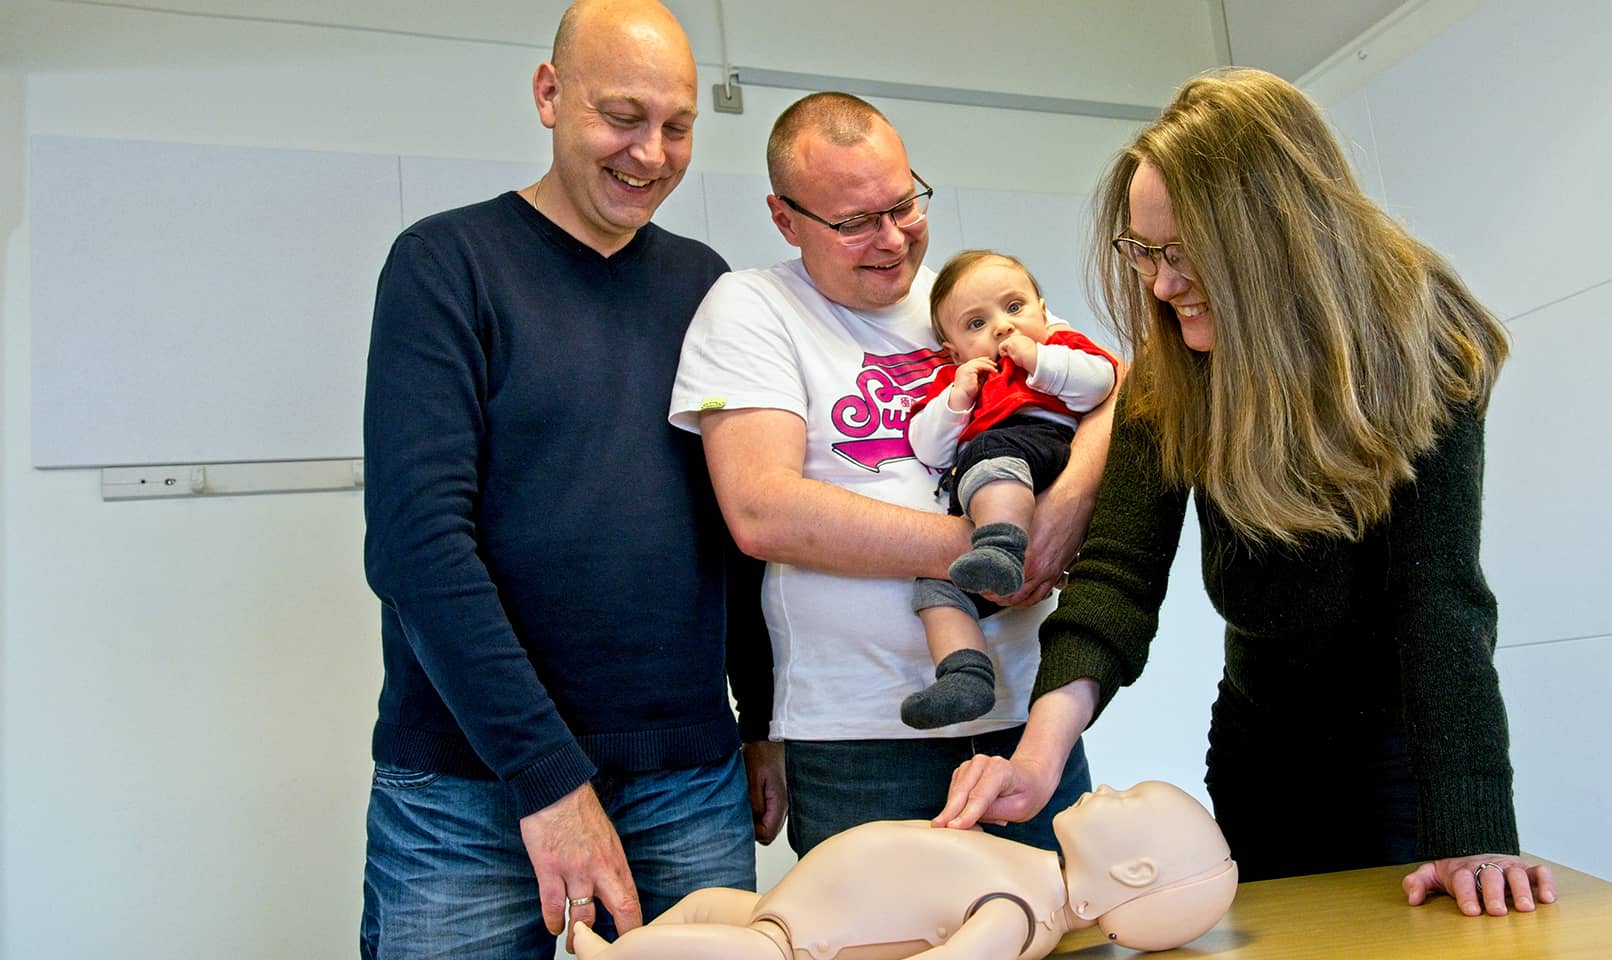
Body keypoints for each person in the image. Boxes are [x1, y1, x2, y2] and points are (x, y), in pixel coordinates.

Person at [936, 66, 1559, 918]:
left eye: (1184, 254)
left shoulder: (1424, 342)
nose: (1159, 284)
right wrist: (1036, 757)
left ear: (1273, 241)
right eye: (1145, 251)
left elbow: (1439, 599)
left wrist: (1475, 825)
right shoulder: (1175, 368)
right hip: (1259, 737)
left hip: (1402, 748)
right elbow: (1118, 576)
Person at [359, 3, 782, 957]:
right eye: (621, 117)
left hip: (686, 776)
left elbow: (738, 524)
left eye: (678, 126)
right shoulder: (445, 264)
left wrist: (761, 717)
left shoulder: (706, 285)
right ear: (549, 95)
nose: (652, 152)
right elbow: (418, 546)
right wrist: (547, 777)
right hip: (469, 790)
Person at [668, 93, 1109, 857]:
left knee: (1056, 929)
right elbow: (762, 510)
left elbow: (1112, 389)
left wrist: (1063, 511)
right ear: (785, 219)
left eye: (905, 205)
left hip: (1026, 716)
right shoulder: (751, 309)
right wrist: (985, 547)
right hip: (860, 733)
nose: (891, 239)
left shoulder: (965, 299)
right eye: (854, 223)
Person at [571, 781, 1237, 960]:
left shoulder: (1019, 913)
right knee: (714, 907)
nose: (1110, 789)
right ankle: (638, 943)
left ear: (1136, 870)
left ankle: (615, 956)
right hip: (820, 896)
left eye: (1130, 802)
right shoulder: (1036, 885)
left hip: (816, 929)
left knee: (754, 946)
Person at [900, 251, 1118, 730]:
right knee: (935, 586)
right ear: (953, 350)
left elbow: (1101, 383)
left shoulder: (1060, 346)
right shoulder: (958, 379)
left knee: (993, 455)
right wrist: (957, 399)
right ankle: (965, 675)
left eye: (1015, 308)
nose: (1002, 327)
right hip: (984, 479)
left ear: (1043, 309)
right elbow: (929, 448)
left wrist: (1040, 360)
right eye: (977, 323)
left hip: (1045, 446)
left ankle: (1000, 543)